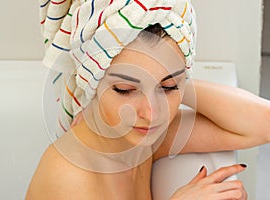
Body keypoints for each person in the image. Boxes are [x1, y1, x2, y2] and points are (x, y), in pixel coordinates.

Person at [26, 0, 270, 199]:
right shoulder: (70, 178)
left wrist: (175, 81)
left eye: (168, 87)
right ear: (92, 81)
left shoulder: (140, 139)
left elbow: (264, 123)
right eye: (124, 89)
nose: (152, 113)